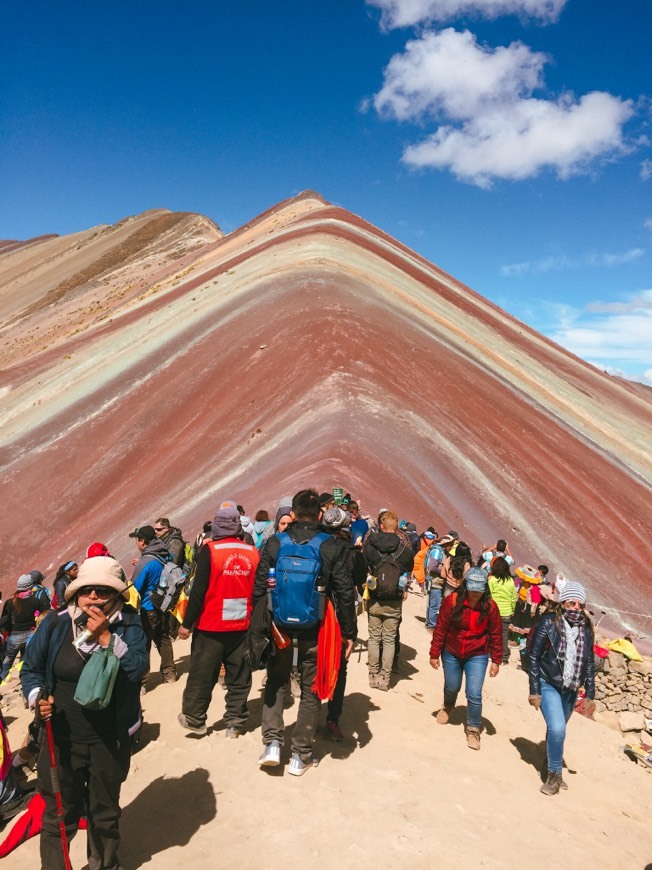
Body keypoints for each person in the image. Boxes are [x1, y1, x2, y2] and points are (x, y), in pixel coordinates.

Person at [20, 556, 148, 870]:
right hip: (60, 739)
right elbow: (31, 671)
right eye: (86, 590)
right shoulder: (56, 623)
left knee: (104, 813)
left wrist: (107, 638)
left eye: (102, 591)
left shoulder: (129, 622)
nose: (92, 597)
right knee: (58, 815)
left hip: (109, 740)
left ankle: (103, 865)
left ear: (117, 595)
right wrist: (38, 699)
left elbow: (138, 670)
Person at [254, 489, 357, 776]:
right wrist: (349, 632)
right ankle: (300, 754)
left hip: (279, 629)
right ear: (320, 514)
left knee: (276, 681)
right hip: (317, 630)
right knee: (311, 689)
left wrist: (260, 628)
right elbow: (345, 594)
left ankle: (272, 743)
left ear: (294, 513)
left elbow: (260, 588)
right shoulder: (331, 546)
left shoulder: (276, 543)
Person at [178, 507, 260, 737]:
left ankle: (195, 719)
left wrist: (187, 623)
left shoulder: (210, 550)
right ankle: (235, 722)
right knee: (239, 676)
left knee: (202, 674)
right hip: (243, 625)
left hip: (210, 626)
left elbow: (198, 592)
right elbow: (259, 590)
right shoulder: (252, 552)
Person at [528, 581, 595, 795]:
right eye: (571, 602)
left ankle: (549, 764)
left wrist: (590, 694)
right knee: (557, 728)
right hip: (549, 683)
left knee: (557, 731)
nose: (574, 607)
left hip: (571, 688)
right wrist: (535, 689)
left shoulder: (587, 628)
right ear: (563, 602)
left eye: (579, 604)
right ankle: (555, 776)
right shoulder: (548, 623)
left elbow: (589, 662)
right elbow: (533, 656)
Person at [429, 566, 502, 750]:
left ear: (485, 588)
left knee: (474, 693)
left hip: (477, 654)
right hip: (452, 652)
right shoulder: (452, 601)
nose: (475, 593)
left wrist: (496, 660)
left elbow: (495, 634)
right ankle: (447, 706)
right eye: (472, 588)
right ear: (466, 586)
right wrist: (434, 653)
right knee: (452, 686)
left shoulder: (491, 607)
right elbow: (441, 628)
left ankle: (473, 729)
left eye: (479, 589)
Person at [321, 506, 367, 739]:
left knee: (311, 663)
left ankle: (308, 716)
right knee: (339, 666)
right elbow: (353, 587)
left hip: (313, 613)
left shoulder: (312, 546)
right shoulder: (351, 552)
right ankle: (332, 719)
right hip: (338, 617)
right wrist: (350, 632)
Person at [364, 511, 414, 691]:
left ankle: (372, 674)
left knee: (374, 638)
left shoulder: (370, 548)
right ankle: (385, 678)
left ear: (382, 527)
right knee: (389, 640)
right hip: (394, 600)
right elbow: (408, 571)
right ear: (397, 529)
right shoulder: (405, 551)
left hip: (375, 598)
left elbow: (363, 568)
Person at [129, 525, 177, 686]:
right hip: (163, 604)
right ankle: (169, 673)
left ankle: (142, 681)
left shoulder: (146, 561)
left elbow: (136, 587)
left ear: (143, 541)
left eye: (137, 539)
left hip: (148, 609)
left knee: (144, 644)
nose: (137, 542)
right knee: (163, 639)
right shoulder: (164, 554)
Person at [0, 574, 51, 682]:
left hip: (14, 636)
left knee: (7, 662)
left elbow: (4, 621)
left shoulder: (10, 602)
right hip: (30, 635)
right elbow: (46, 612)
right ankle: (23, 680)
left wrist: (7, 631)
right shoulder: (35, 601)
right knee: (24, 660)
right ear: (30, 586)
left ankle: (2, 681)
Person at [488, 557, 518, 665]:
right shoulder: (510, 581)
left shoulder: (492, 580)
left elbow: (489, 596)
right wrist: (512, 609)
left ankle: (490, 653)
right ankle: (504, 657)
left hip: (493, 612)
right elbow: (514, 597)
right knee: (504, 635)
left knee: (490, 633)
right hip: (506, 613)